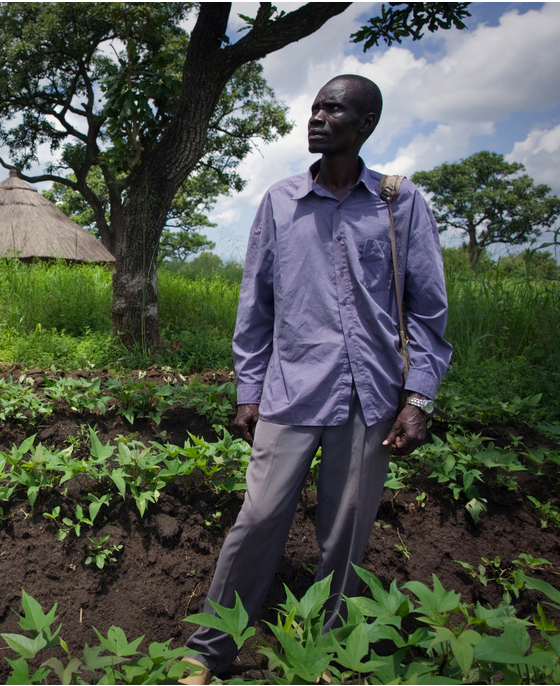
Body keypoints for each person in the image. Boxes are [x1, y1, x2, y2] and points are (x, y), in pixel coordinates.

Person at [179, 74, 452, 684]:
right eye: (315, 108)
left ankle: (327, 655)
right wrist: (248, 388)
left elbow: (428, 310)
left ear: (366, 124)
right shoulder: (281, 201)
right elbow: (256, 305)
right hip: (292, 388)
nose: (318, 118)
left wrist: (419, 398)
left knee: (346, 534)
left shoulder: (398, 202)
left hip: (370, 394)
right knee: (258, 518)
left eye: (334, 109)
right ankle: (208, 651)